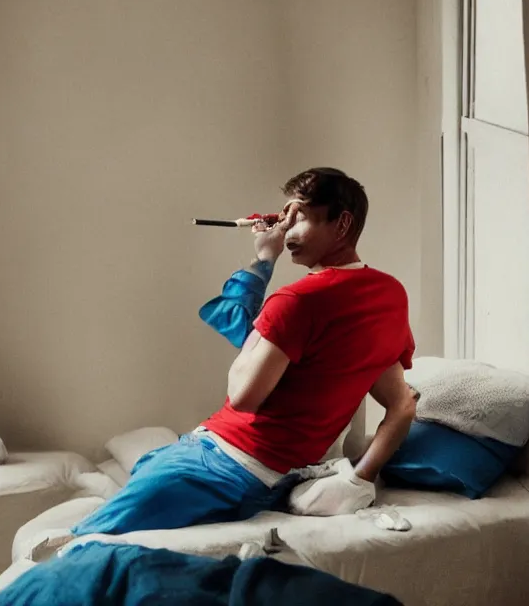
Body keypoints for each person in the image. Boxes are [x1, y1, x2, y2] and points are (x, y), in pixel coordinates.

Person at [73, 167, 417, 536]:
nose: (287, 230)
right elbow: (403, 404)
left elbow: (242, 397)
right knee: (146, 467)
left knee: (83, 541)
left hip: (223, 463)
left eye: (299, 215)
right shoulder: (389, 296)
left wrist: (263, 262)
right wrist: (359, 480)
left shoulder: (297, 301)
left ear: (343, 223)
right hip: (268, 477)